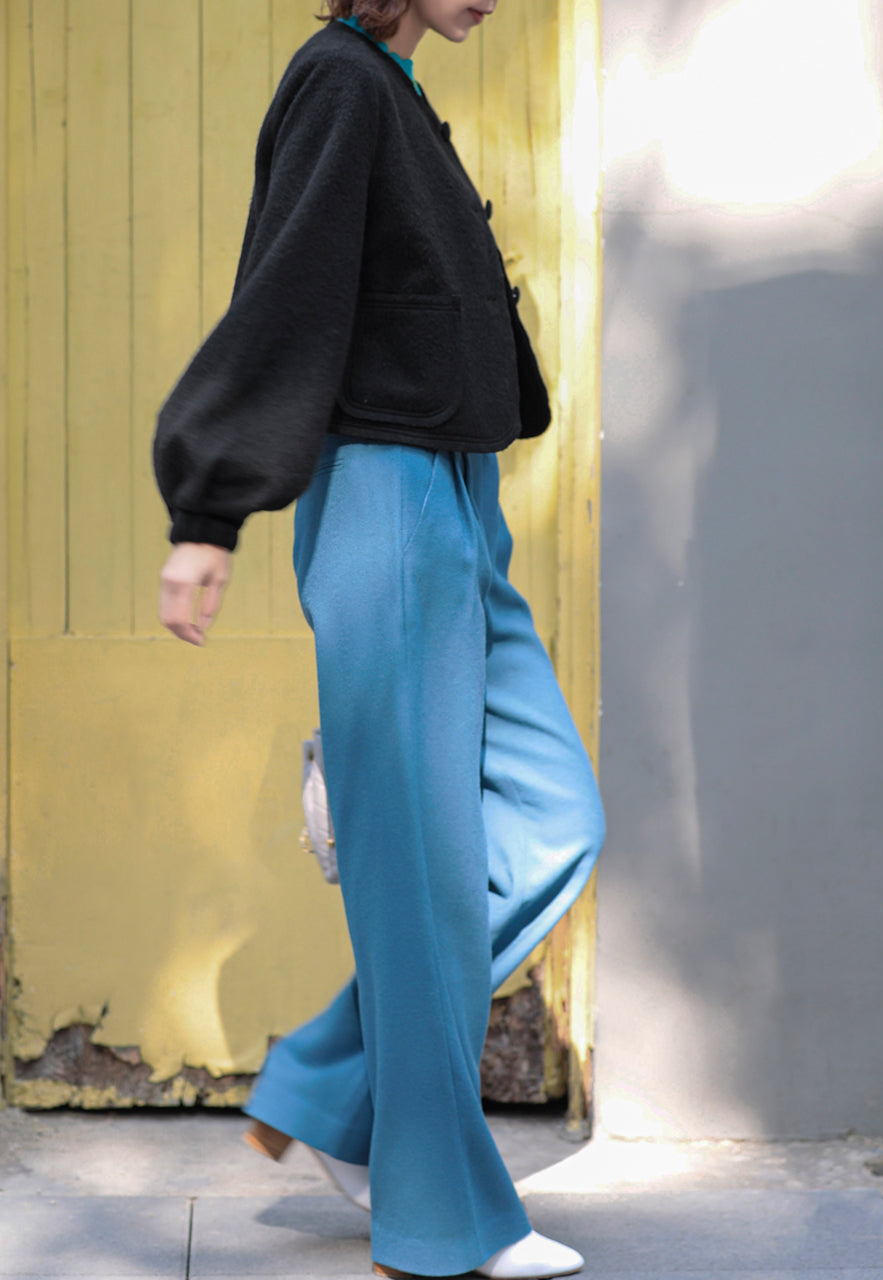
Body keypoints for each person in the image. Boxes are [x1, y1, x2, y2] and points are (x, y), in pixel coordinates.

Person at [153, 1, 605, 1275]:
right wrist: (208, 512)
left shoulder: (393, 87)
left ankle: (334, 1082)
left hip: (459, 497)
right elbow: (284, 296)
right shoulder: (339, 83)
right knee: (423, 887)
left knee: (556, 815)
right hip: (386, 503)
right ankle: (437, 1222)